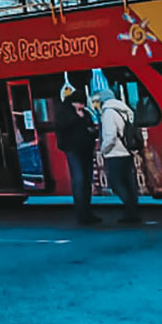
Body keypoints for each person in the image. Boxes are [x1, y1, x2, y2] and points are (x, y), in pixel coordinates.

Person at [55, 84, 101, 226]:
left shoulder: (85, 113)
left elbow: (90, 127)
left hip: (86, 149)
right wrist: (77, 117)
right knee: (79, 180)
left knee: (87, 181)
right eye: (79, 102)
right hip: (73, 150)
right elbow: (62, 127)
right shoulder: (65, 113)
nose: (81, 105)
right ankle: (82, 213)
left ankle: (88, 211)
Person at [99, 86, 142, 224]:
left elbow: (110, 136)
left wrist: (103, 150)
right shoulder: (124, 109)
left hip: (115, 153)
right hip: (127, 151)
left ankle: (130, 210)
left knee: (116, 183)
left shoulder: (108, 112)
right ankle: (133, 212)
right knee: (129, 183)